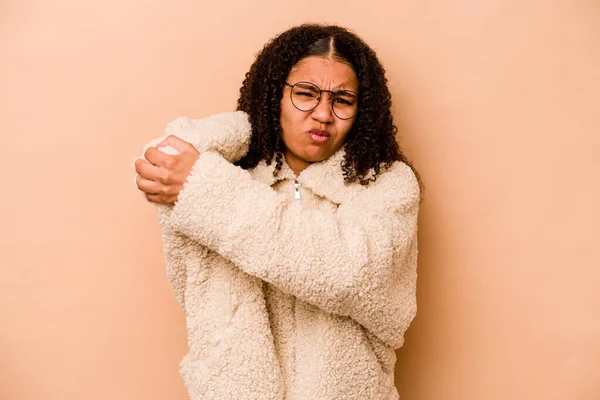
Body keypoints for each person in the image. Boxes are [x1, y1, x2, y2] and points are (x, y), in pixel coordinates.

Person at [134, 24, 421, 400]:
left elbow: (346, 271)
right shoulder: (234, 173)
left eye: (342, 100)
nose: (323, 114)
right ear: (275, 96)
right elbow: (166, 155)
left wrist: (204, 188)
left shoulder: (389, 185)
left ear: (361, 111)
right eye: (305, 94)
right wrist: (250, 124)